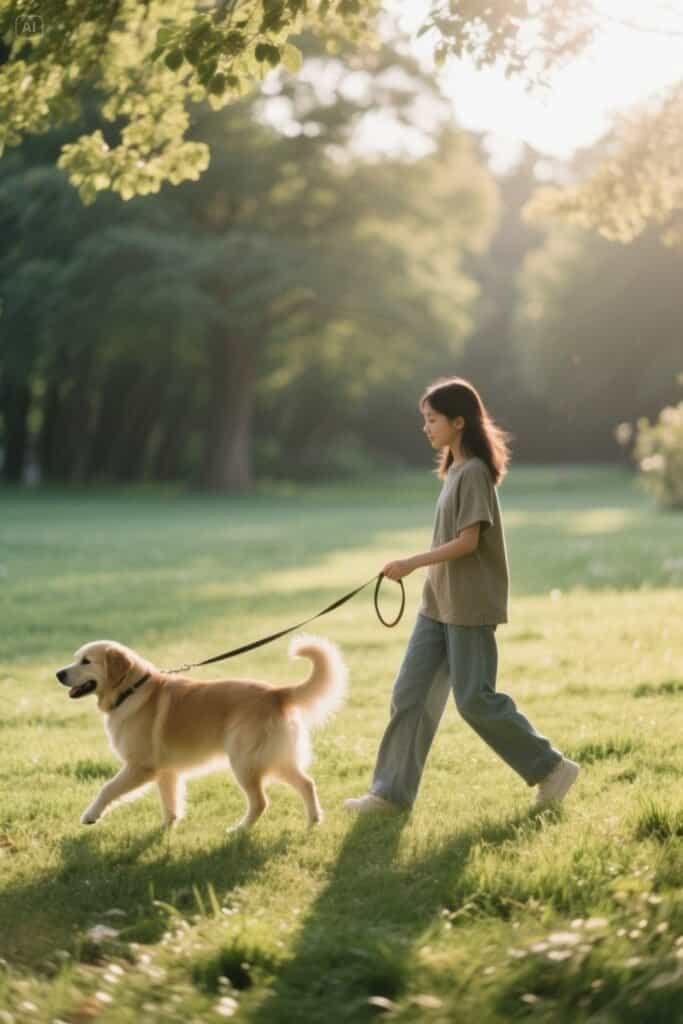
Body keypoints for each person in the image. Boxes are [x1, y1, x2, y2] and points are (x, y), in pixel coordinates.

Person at [344, 376, 579, 815]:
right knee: (410, 693)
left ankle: (551, 768)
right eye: (425, 419)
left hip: (468, 606)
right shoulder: (453, 470)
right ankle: (390, 796)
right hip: (437, 605)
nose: (426, 427)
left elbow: (469, 542)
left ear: (458, 422)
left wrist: (411, 562)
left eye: (432, 419)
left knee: (474, 699)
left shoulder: (473, 473)